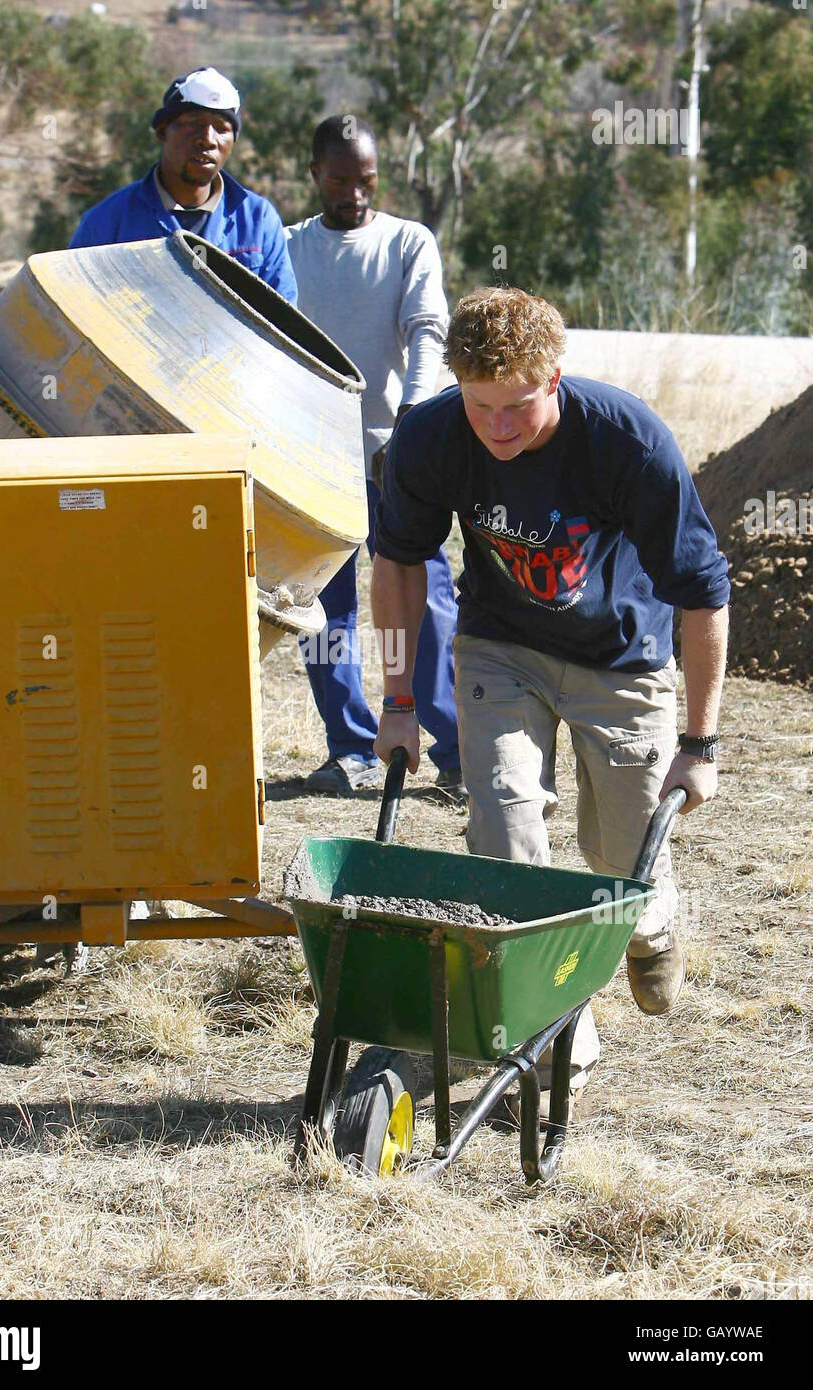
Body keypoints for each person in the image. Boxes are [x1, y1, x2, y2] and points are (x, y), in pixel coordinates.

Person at [371, 286, 729, 1085]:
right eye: (479, 404)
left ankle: (650, 928)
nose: (497, 427)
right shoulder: (431, 436)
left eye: (518, 407)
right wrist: (398, 703)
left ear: (555, 377)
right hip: (503, 649)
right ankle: (552, 1040)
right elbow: (396, 563)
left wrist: (700, 742)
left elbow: (703, 592)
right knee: (503, 831)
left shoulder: (627, 441)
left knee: (622, 861)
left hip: (622, 659)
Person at [285, 115, 462, 795]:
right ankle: (351, 747)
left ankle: (451, 751)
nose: (354, 193)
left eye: (366, 180)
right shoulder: (290, 247)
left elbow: (426, 330)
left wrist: (411, 422)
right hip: (310, 459)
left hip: (395, 454)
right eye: (339, 179)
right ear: (314, 175)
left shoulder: (407, 243)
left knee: (423, 603)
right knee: (323, 611)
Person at [69, 67, 298, 304]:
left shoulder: (258, 221)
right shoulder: (108, 222)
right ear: (162, 131)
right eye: (193, 123)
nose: (208, 139)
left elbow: (281, 325)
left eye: (221, 128)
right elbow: (72, 306)